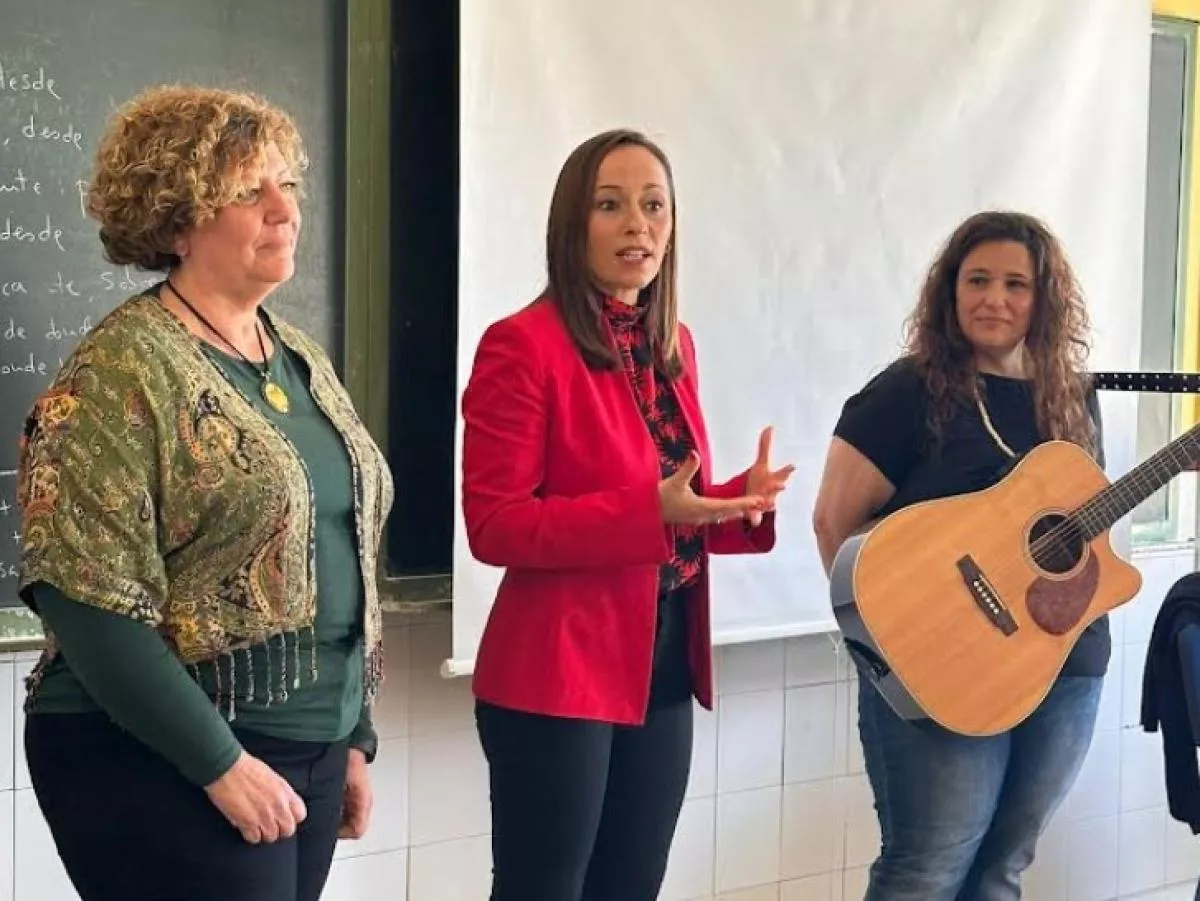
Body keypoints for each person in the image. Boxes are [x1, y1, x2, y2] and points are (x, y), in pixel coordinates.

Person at [17, 84, 393, 901]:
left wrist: (351, 737)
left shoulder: (297, 358)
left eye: (286, 184)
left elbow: (345, 542)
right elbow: (84, 603)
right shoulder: (118, 374)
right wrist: (219, 763)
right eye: (246, 190)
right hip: (159, 755)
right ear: (179, 217)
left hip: (307, 748)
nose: (282, 208)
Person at [460, 128, 795, 901]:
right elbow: (497, 523)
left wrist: (734, 497)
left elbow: (672, 499)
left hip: (664, 655)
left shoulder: (672, 342)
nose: (637, 225)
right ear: (573, 224)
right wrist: (649, 510)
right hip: (558, 668)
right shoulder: (522, 346)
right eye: (611, 206)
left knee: (632, 888)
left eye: (654, 206)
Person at [812, 210, 1108, 900]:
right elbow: (836, 522)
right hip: (942, 670)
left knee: (1004, 868)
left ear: (1046, 298)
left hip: (1066, 664)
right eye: (977, 280)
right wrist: (907, 637)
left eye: (1015, 283)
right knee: (927, 870)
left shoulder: (1072, 395)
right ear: (950, 291)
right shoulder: (906, 391)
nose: (994, 299)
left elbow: (1080, 531)